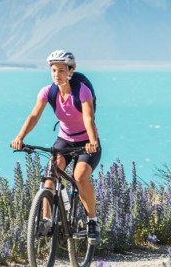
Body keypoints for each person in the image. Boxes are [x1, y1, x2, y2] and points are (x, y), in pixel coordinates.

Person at [11, 50, 102, 241]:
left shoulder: (82, 92)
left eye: (61, 70)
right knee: (50, 176)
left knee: (80, 176)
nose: (56, 74)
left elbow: (88, 118)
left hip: (87, 141)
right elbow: (34, 116)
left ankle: (92, 221)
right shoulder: (48, 92)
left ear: (70, 71)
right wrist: (20, 137)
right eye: (53, 70)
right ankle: (46, 219)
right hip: (65, 139)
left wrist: (93, 142)